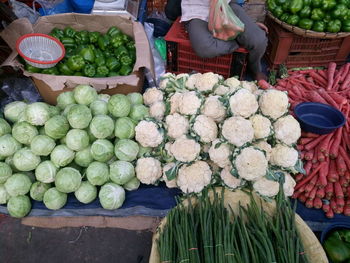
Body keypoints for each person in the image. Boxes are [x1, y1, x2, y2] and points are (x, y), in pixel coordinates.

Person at [165, 0, 269, 81]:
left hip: (225, 5)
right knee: (204, 47)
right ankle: (237, 42)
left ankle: (255, 69)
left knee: (258, 39)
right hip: (197, 9)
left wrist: (248, 21)